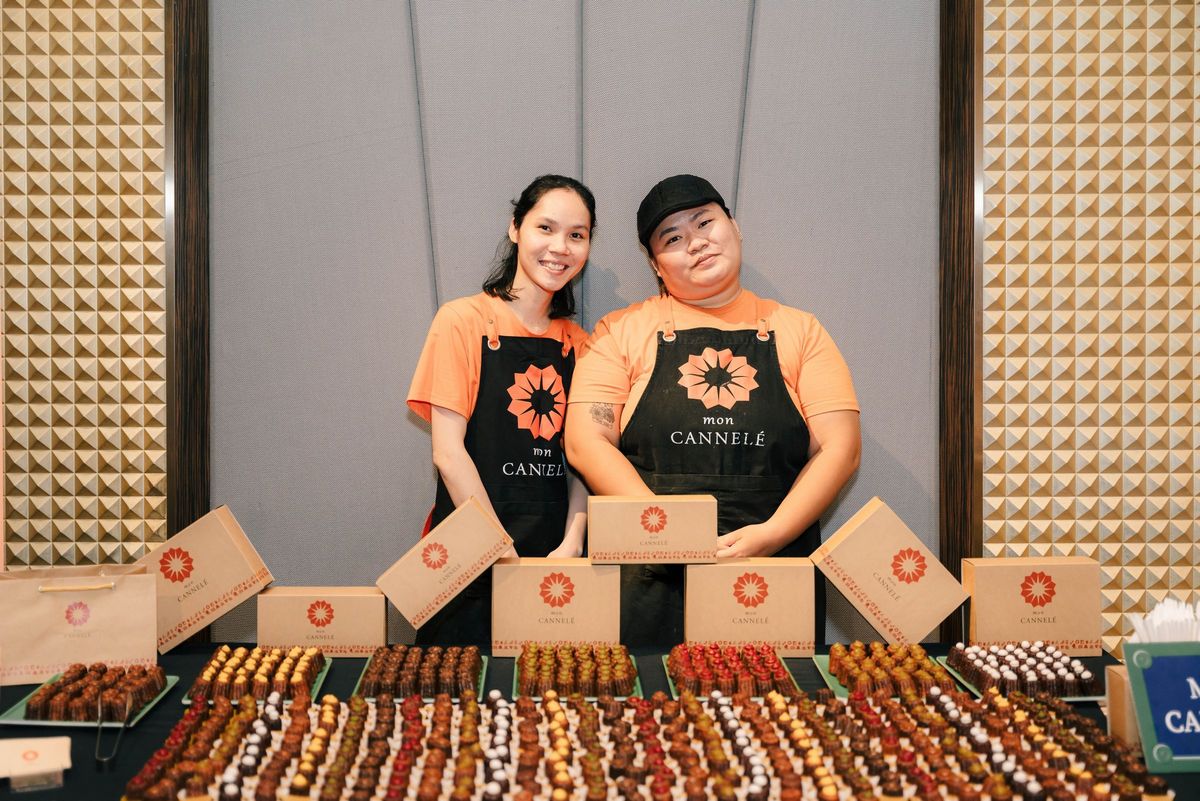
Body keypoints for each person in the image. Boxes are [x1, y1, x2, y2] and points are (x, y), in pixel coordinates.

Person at [564, 174, 860, 647]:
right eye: (672, 238)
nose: (696, 242)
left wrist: (772, 534)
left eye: (705, 222)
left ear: (734, 227)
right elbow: (585, 441)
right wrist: (666, 531)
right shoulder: (619, 332)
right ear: (655, 265)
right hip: (651, 573)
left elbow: (839, 448)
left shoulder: (800, 330)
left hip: (771, 571)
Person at [407, 175, 594, 645]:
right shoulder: (462, 321)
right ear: (515, 228)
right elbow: (448, 453)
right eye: (545, 228)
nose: (560, 247)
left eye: (577, 235)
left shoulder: (581, 345)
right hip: (467, 558)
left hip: (552, 561)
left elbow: (585, 461)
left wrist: (573, 543)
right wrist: (500, 551)